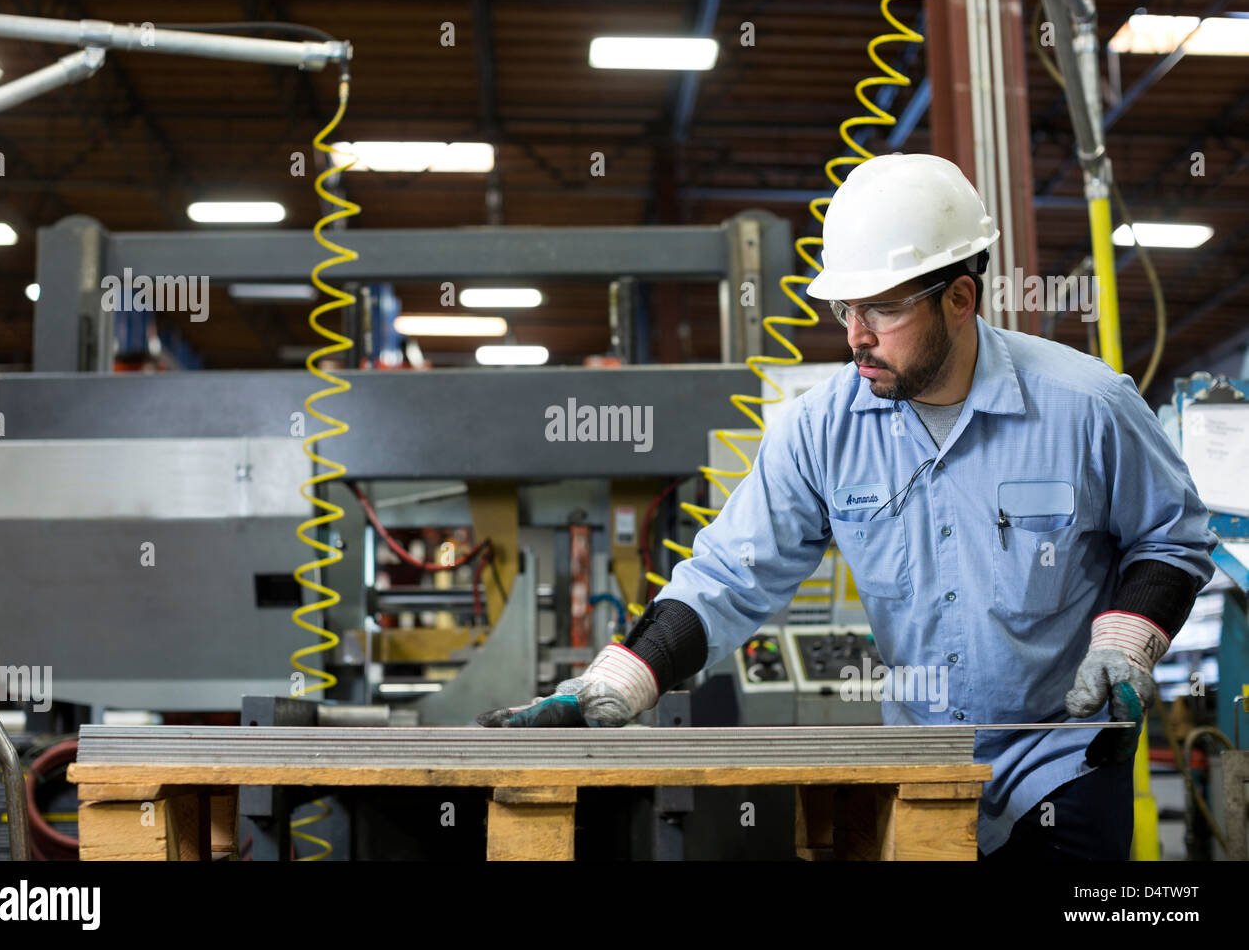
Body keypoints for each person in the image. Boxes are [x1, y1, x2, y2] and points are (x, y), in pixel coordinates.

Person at [478, 153, 1216, 859]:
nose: (856, 335)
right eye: (844, 308)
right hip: (918, 769)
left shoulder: (1087, 408)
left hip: (1064, 763)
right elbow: (731, 578)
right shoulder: (819, 430)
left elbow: (1170, 538)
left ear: (961, 298)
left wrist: (1126, 645)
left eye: (883, 310)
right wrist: (619, 680)